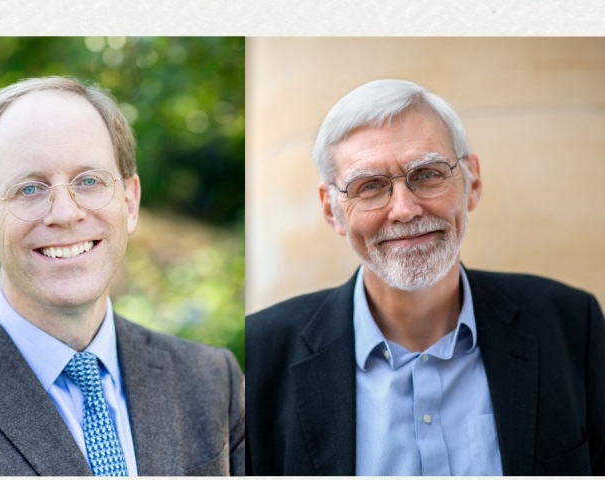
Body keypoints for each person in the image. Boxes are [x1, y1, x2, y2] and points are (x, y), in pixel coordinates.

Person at [0, 76, 244, 476]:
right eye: (29, 189)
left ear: (129, 202)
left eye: (89, 181)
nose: (65, 213)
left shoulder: (214, 382)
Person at [245, 79, 605, 476]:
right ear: (332, 211)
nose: (404, 209)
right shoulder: (261, 353)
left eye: (428, 174)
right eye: (369, 187)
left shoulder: (572, 323)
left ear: (473, 182)